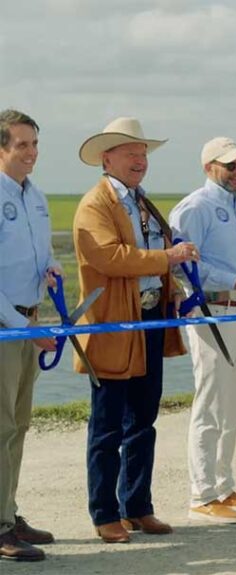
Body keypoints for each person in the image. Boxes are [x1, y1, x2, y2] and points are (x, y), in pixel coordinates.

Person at [74, 117, 197, 543]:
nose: (140, 160)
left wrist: (172, 287)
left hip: (148, 319)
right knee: (107, 426)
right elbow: (110, 258)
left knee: (144, 419)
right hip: (112, 324)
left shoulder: (142, 201)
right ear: (106, 159)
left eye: (143, 153)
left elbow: (150, 253)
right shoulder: (95, 204)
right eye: (130, 153)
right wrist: (168, 259)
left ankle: (138, 506)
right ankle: (105, 513)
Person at [170, 137, 236, 523]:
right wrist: (232, 280)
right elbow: (183, 266)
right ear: (209, 166)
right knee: (211, 403)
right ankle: (202, 494)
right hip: (213, 312)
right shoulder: (194, 208)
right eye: (230, 165)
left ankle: (224, 486)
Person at [0, 109, 58, 561]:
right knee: (0, 427)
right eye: (22, 145)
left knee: (18, 426)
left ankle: (8, 512)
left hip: (29, 322)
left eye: (35, 144)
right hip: (6, 328)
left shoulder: (35, 195)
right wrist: (23, 327)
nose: (31, 152)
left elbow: (41, 251)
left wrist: (52, 269)